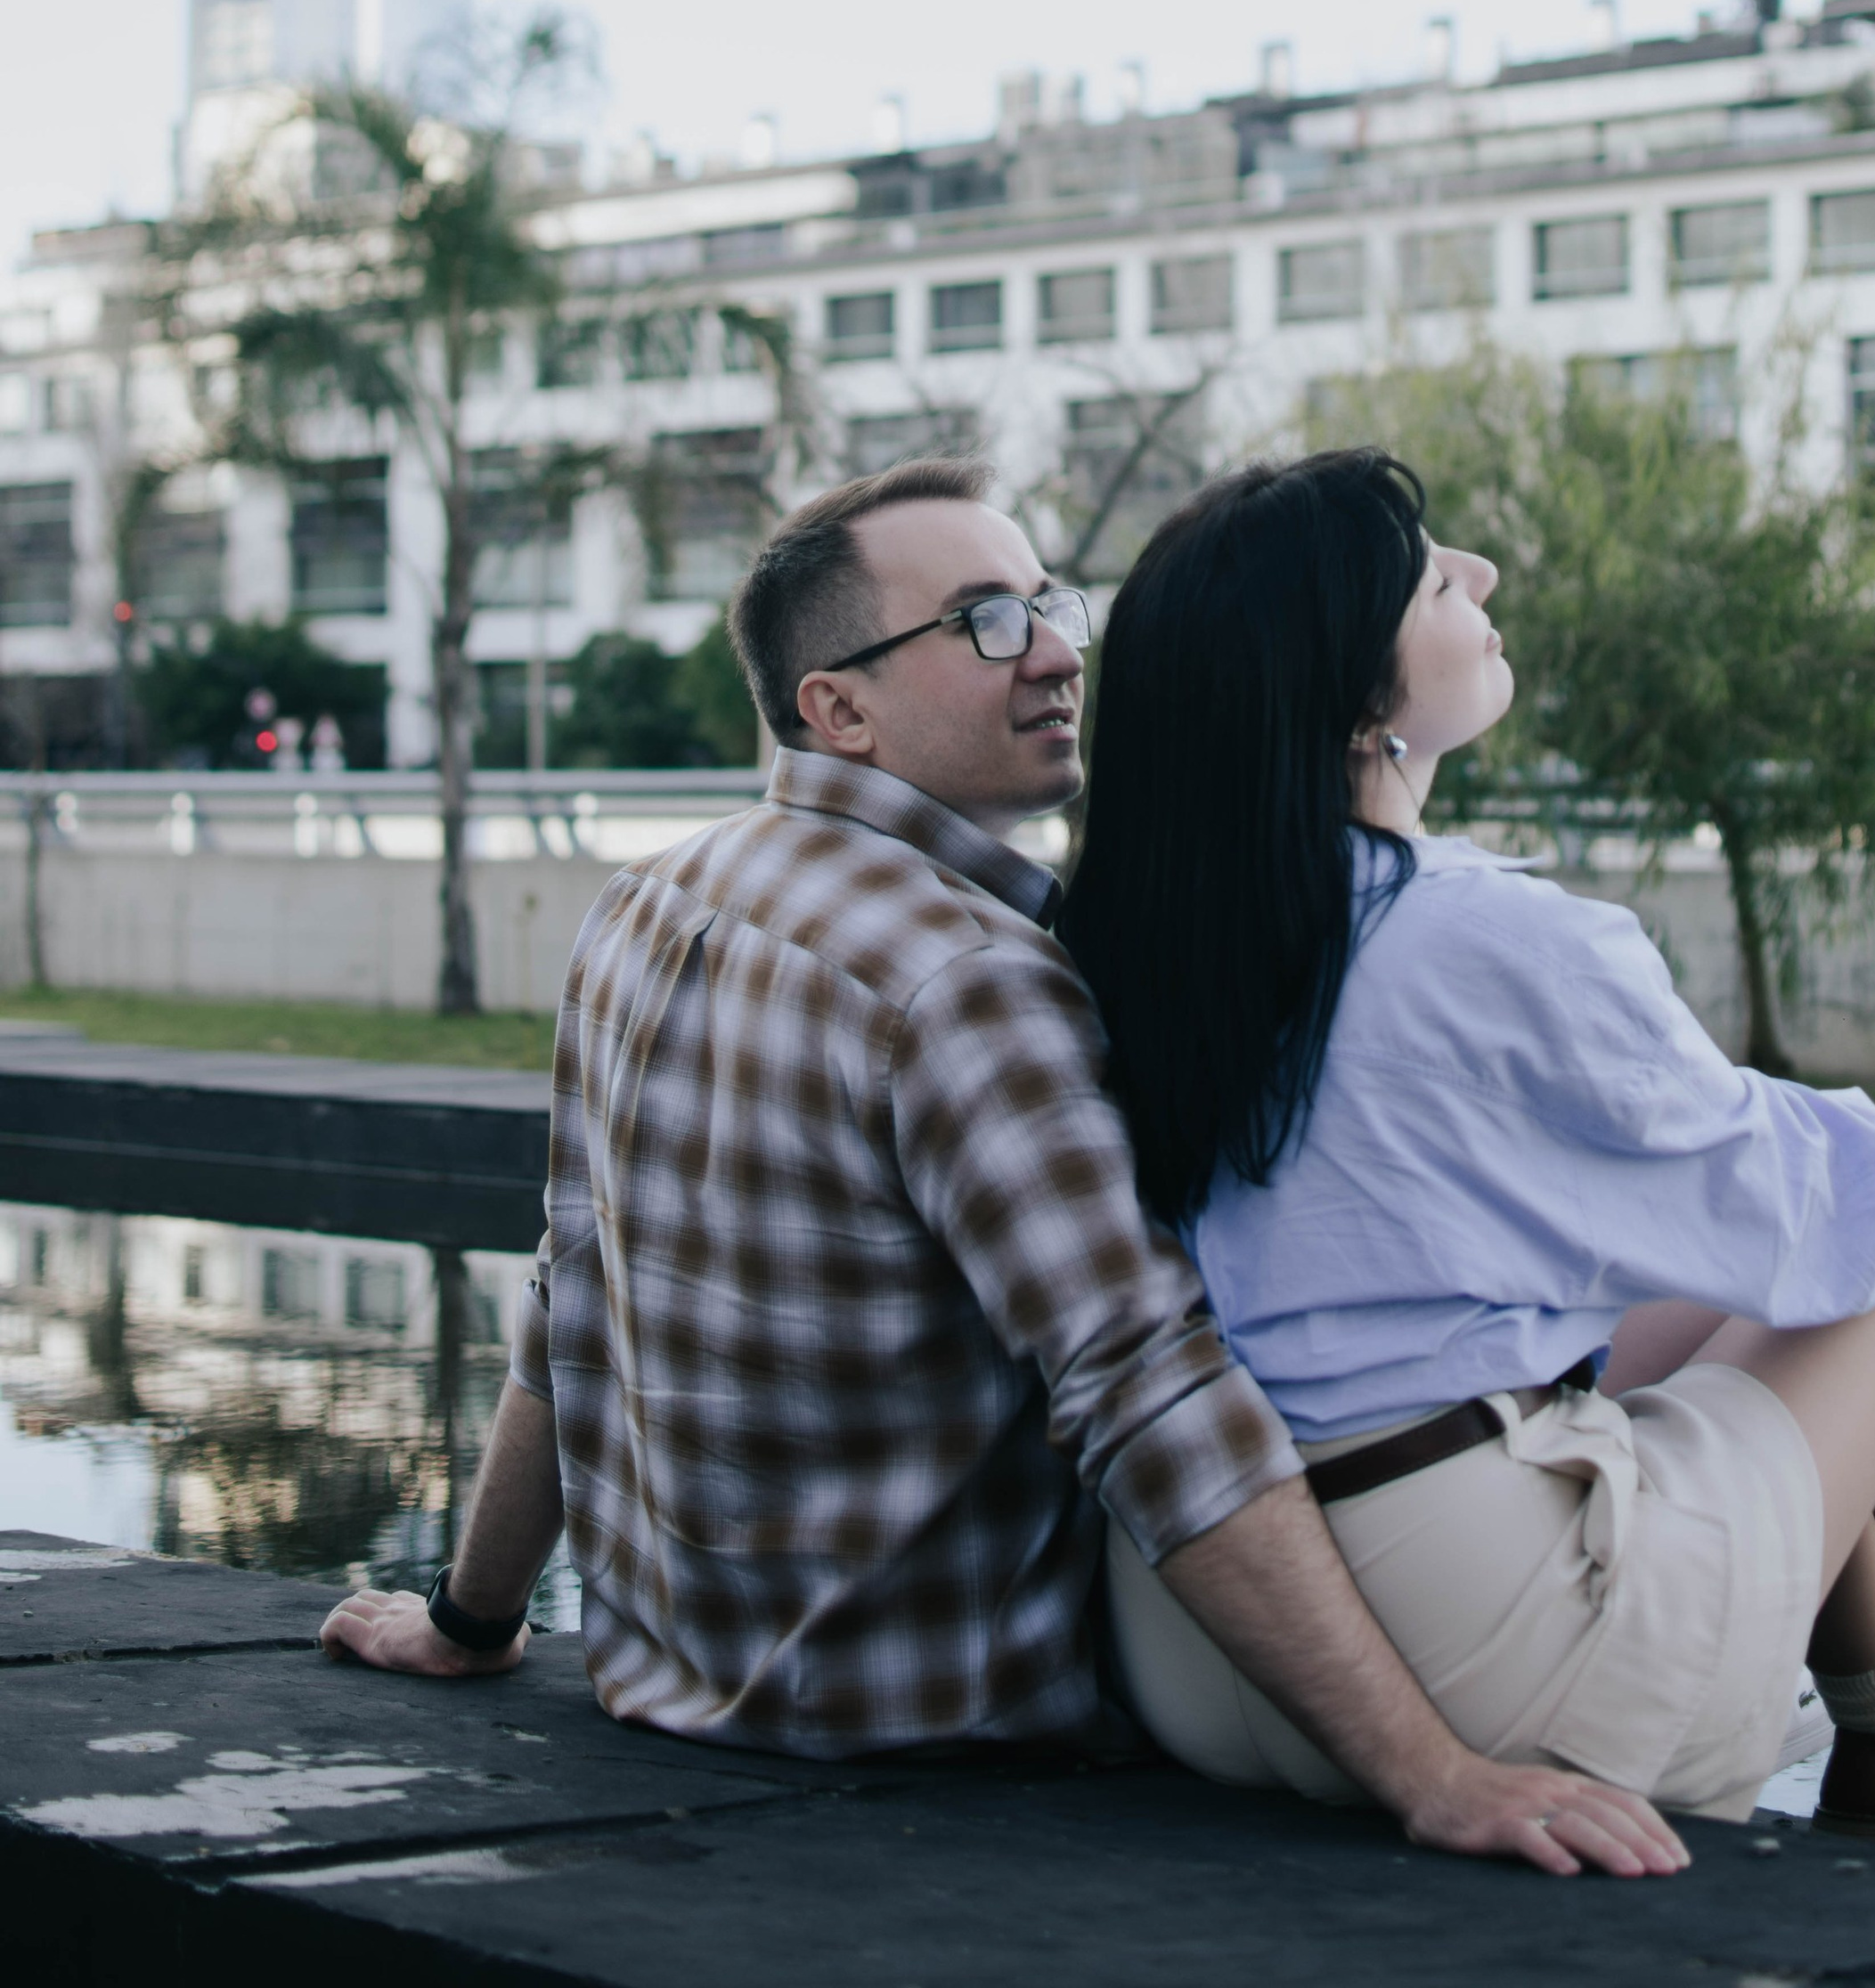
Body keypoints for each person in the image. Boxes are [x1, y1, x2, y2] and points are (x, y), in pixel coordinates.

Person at [321, 455, 1684, 1882]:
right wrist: (1433, 1775)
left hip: (671, 1691)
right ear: (834, 708)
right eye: (983, 624)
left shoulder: (644, 904)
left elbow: (569, 1293)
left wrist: (472, 1622)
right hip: (941, 1731)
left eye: (1048, 605)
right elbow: (1148, 1395)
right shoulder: (961, 980)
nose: (1052, 656)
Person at [1058, 447, 1875, 1880]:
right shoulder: (1478, 935)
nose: (1482, 577)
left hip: (1216, 1644)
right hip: (1477, 1656)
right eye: (1431, 570)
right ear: (1352, 701)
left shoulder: (1152, 950)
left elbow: (1702, 1227)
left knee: (1742, 1309)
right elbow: (1772, 1188)